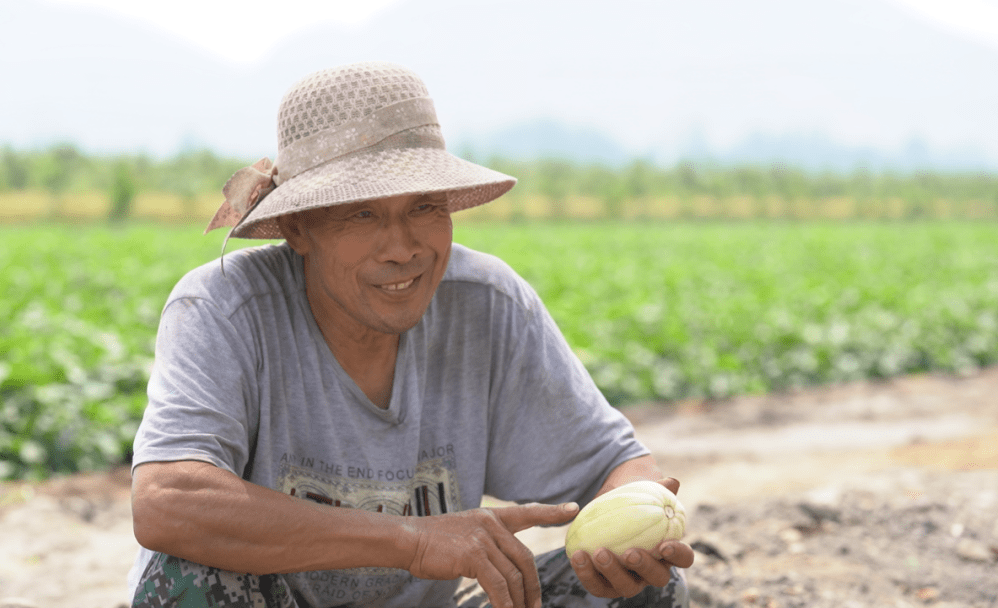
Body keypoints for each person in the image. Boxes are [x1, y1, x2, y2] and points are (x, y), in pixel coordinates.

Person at [128, 60, 693, 608]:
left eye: (424, 207)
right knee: (189, 576)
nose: (403, 249)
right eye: (362, 215)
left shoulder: (486, 303)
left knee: (650, 588)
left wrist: (633, 518)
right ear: (299, 229)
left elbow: (615, 465)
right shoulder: (227, 307)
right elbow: (168, 503)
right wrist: (416, 541)